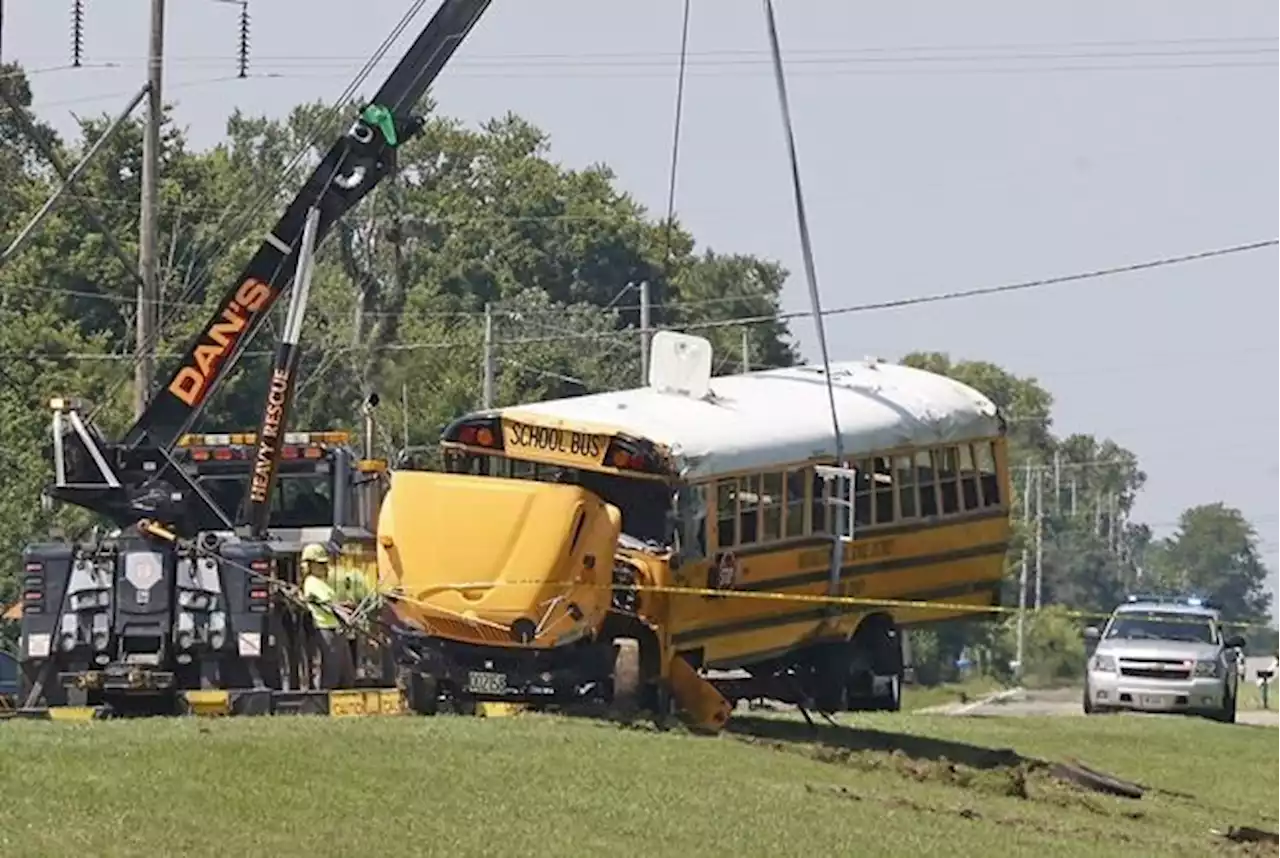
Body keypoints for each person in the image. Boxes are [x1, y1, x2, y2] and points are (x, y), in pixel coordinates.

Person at [301, 542, 355, 689]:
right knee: (331, 671)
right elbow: (330, 606)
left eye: (324, 563)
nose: (324, 567)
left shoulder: (322, 583)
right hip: (326, 631)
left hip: (336, 630)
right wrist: (346, 616)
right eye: (319, 564)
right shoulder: (311, 582)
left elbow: (332, 603)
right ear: (308, 566)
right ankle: (325, 703)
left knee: (347, 673)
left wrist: (346, 606)